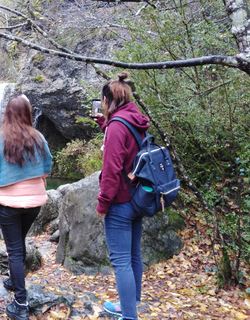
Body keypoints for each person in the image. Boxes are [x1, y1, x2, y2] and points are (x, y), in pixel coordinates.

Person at [0, 94, 52, 320]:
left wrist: (2, 178)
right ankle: (15, 280)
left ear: (8, 113)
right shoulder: (38, 137)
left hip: (9, 203)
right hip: (34, 203)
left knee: (13, 249)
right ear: (27, 112)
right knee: (19, 242)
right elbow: (47, 165)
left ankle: (20, 302)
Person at [93, 72, 150, 320]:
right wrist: (105, 126)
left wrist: (103, 204)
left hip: (121, 203)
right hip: (137, 198)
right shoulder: (133, 119)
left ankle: (129, 315)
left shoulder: (117, 125)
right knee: (133, 255)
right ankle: (131, 305)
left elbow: (112, 169)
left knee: (121, 261)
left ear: (107, 101)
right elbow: (128, 148)